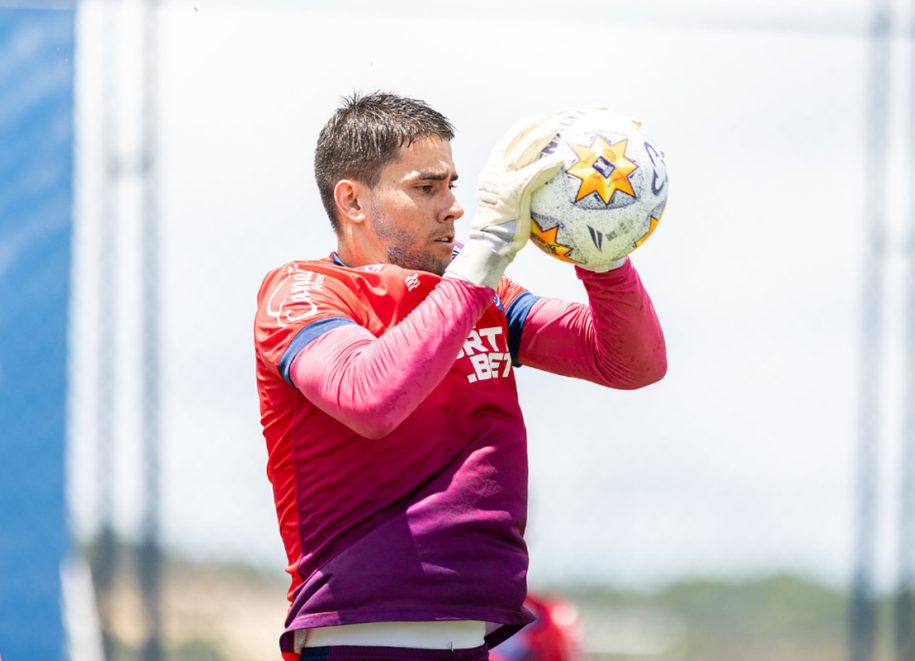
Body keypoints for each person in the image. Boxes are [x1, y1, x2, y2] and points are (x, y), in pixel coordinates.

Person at [253, 92, 667, 661]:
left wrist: (602, 246)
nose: (454, 208)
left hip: (472, 641)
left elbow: (627, 362)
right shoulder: (304, 291)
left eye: (453, 185)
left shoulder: (478, 291)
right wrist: (486, 258)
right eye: (426, 189)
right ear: (351, 200)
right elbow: (370, 397)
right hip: (363, 640)